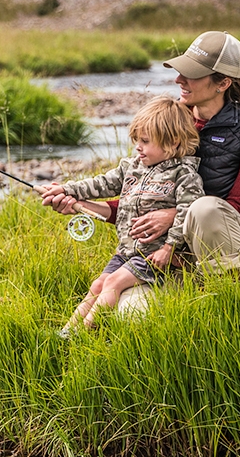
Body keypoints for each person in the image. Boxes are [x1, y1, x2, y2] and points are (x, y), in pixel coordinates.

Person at [43, 31, 240, 311]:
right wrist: (84, 205)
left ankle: (233, 301)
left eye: (191, 74)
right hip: (173, 257)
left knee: (204, 208)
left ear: (223, 83)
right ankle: (193, 292)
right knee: (129, 315)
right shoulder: (171, 120)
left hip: (230, 253)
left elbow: (239, 207)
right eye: (181, 72)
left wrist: (174, 216)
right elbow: (141, 194)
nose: (179, 80)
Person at [41, 97, 205, 333]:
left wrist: (168, 248)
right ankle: (65, 332)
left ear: (172, 142)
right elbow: (101, 184)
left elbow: (187, 213)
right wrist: (66, 189)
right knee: (98, 284)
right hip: (127, 250)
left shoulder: (184, 175)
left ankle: (85, 334)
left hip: (154, 254)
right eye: (136, 140)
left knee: (113, 282)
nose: (138, 146)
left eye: (145, 141)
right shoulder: (132, 167)